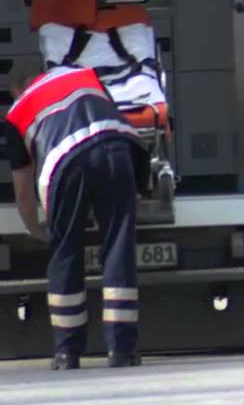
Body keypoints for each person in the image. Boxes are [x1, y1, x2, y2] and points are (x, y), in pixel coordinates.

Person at [3, 57, 145, 370]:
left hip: (65, 163)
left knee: (66, 250)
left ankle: (68, 353)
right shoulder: (82, 76)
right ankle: (122, 351)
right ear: (39, 75)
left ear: (16, 90)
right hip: (117, 148)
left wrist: (37, 230)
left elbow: (24, 191)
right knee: (118, 247)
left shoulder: (16, 113)